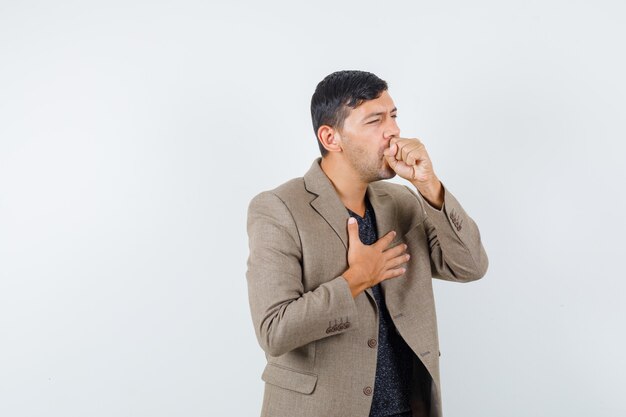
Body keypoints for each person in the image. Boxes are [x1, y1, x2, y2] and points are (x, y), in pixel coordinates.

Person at [245, 70, 488, 417]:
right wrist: (356, 279)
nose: (393, 131)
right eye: (375, 121)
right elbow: (275, 331)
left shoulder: (402, 201)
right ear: (331, 137)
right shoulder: (279, 208)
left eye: (393, 116)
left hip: (407, 407)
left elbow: (470, 266)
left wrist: (430, 186)